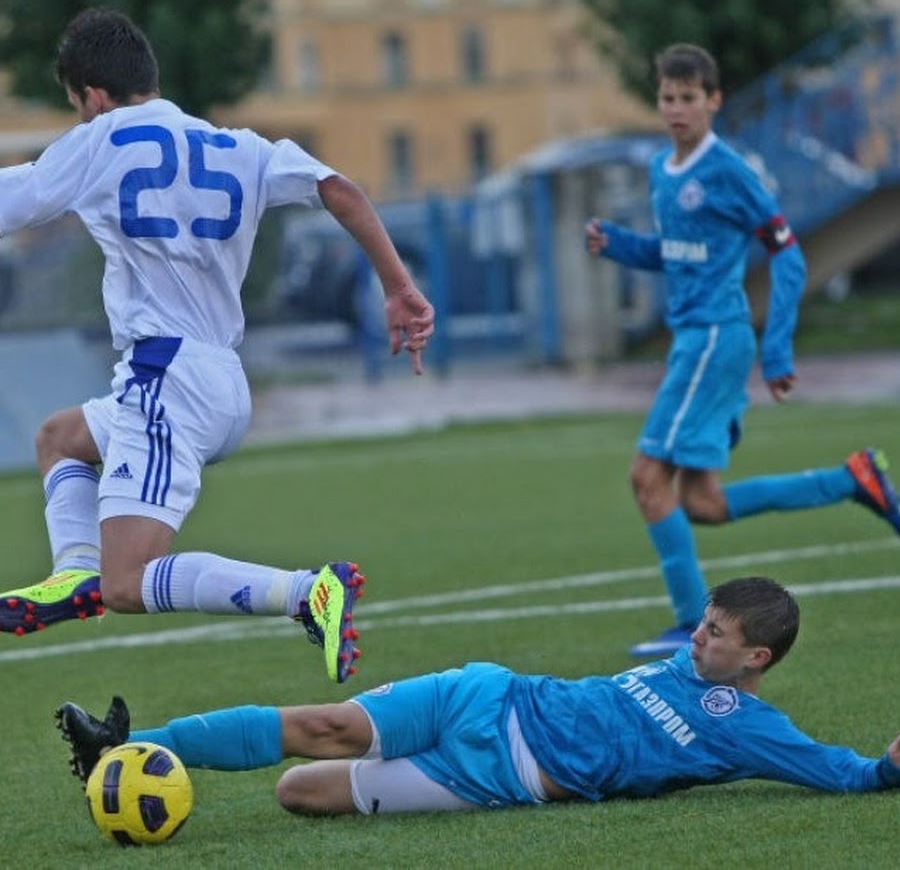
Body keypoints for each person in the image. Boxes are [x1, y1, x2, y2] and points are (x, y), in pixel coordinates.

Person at [0, 8, 435, 683]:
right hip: (218, 378)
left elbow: (18, 198)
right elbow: (340, 190)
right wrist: (400, 288)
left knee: (131, 580)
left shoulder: (103, 136)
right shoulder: (240, 145)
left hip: (165, 379)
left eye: (79, 106)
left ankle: (305, 591)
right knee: (61, 438)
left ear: (91, 96)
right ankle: (72, 577)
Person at [57, 576, 900, 816]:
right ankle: (125, 743)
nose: (697, 638)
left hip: (503, 775)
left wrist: (883, 770)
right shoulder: (689, 665)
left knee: (297, 793)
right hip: (486, 693)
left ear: (757, 658)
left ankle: (136, 751)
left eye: (716, 634)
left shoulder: (747, 729)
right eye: (702, 622)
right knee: (325, 726)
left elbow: (845, 774)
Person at [584, 43, 900, 657]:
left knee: (647, 478)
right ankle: (851, 479)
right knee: (702, 503)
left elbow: (787, 250)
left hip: (715, 338)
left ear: (713, 101)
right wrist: (620, 244)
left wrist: (776, 348)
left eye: (688, 98)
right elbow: (673, 255)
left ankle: (687, 625)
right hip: (695, 340)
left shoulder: (728, 170)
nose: (676, 109)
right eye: (667, 98)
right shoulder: (660, 170)